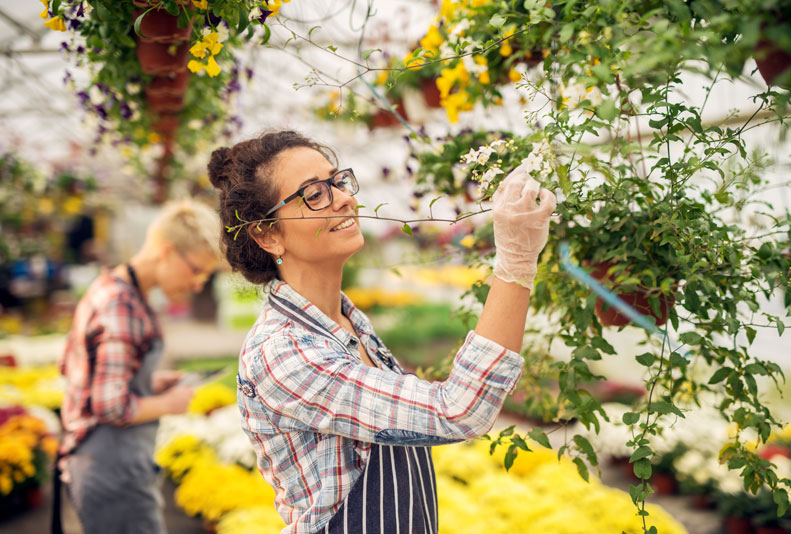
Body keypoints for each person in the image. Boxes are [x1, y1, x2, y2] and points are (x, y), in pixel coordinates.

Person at [208, 130, 556, 534]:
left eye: (337, 181)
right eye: (313, 194)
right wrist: (516, 260)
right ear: (267, 234)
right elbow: (458, 410)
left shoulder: (346, 324)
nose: (343, 198)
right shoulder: (285, 352)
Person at [55, 199, 221, 534]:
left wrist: (149, 382)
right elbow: (109, 406)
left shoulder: (113, 287)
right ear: (167, 252)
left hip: (98, 463)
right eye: (196, 269)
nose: (199, 283)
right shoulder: (122, 306)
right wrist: (168, 404)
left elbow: (84, 372)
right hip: (112, 471)